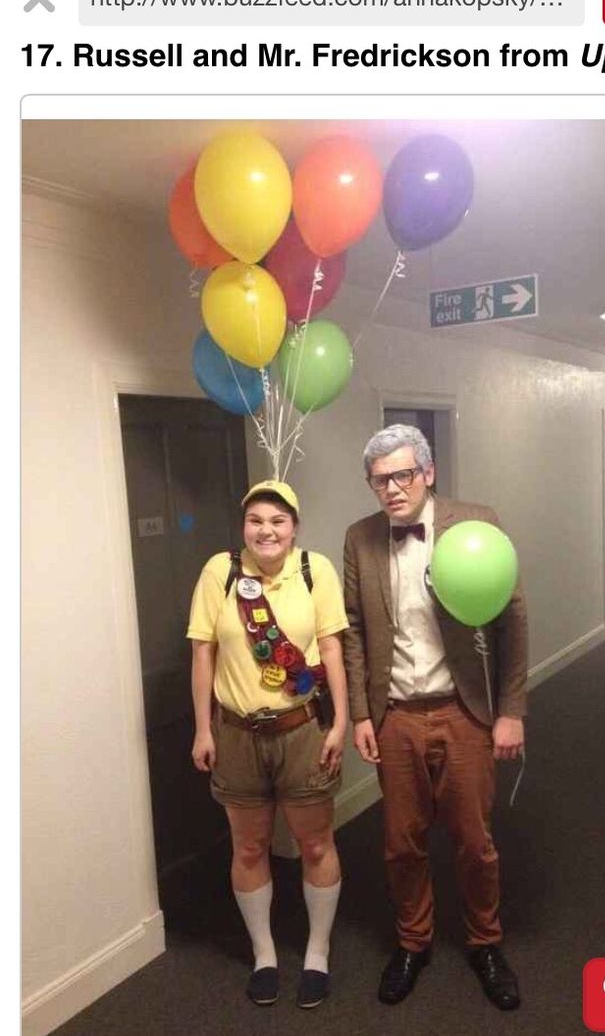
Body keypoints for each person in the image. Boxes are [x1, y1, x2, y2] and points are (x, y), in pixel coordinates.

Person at [343, 425, 528, 1010]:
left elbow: (510, 617)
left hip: (465, 709)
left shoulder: (477, 522)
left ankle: (485, 942)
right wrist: (359, 714)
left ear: (428, 472)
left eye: (402, 474)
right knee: (402, 842)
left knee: (475, 840)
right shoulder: (360, 538)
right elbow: (352, 630)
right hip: (395, 713)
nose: (392, 488)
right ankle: (412, 941)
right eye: (380, 480)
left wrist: (512, 710)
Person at [187, 480, 349, 1009]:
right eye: (256, 520)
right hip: (236, 733)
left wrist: (341, 722)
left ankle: (317, 953)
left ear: (294, 527)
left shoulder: (314, 570)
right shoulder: (221, 571)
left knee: (316, 843)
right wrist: (203, 728)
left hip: (302, 728)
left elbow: (330, 648)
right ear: (243, 527)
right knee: (249, 847)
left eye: (278, 521)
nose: (266, 530)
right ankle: (264, 955)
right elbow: (203, 654)